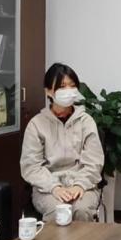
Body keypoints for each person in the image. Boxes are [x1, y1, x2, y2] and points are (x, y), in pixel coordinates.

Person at [21, 63, 104, 222]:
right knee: (58, 211)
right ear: (48, 91)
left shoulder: (86, 122)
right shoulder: (36, 124)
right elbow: (31, 166)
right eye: (62, 86)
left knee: (81, 209)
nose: (68, 91)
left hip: (83, 185)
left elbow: (94, 161)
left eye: (72, 86)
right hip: (47, 188)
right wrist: (54, 187)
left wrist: (79, 185)